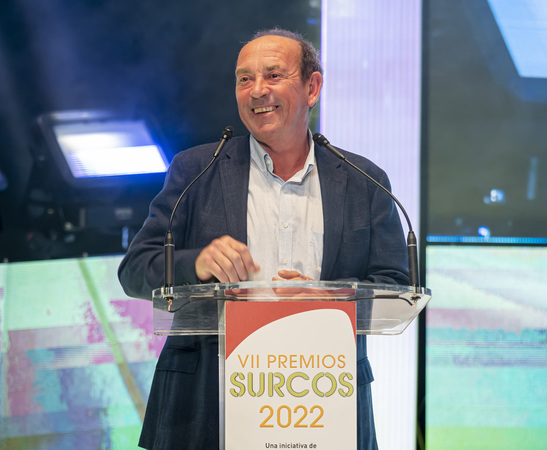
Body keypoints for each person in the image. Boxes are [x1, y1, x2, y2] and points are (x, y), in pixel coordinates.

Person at [118, 28, 409, 450]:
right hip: (205, 405)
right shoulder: (196, 170)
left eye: (273, 75)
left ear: (312, 87)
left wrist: (331, 300)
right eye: (244, 79)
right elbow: (133, 271)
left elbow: (396, 291)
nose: (257, 91)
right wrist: (195, 264)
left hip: (325, 402)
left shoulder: (363, 181)